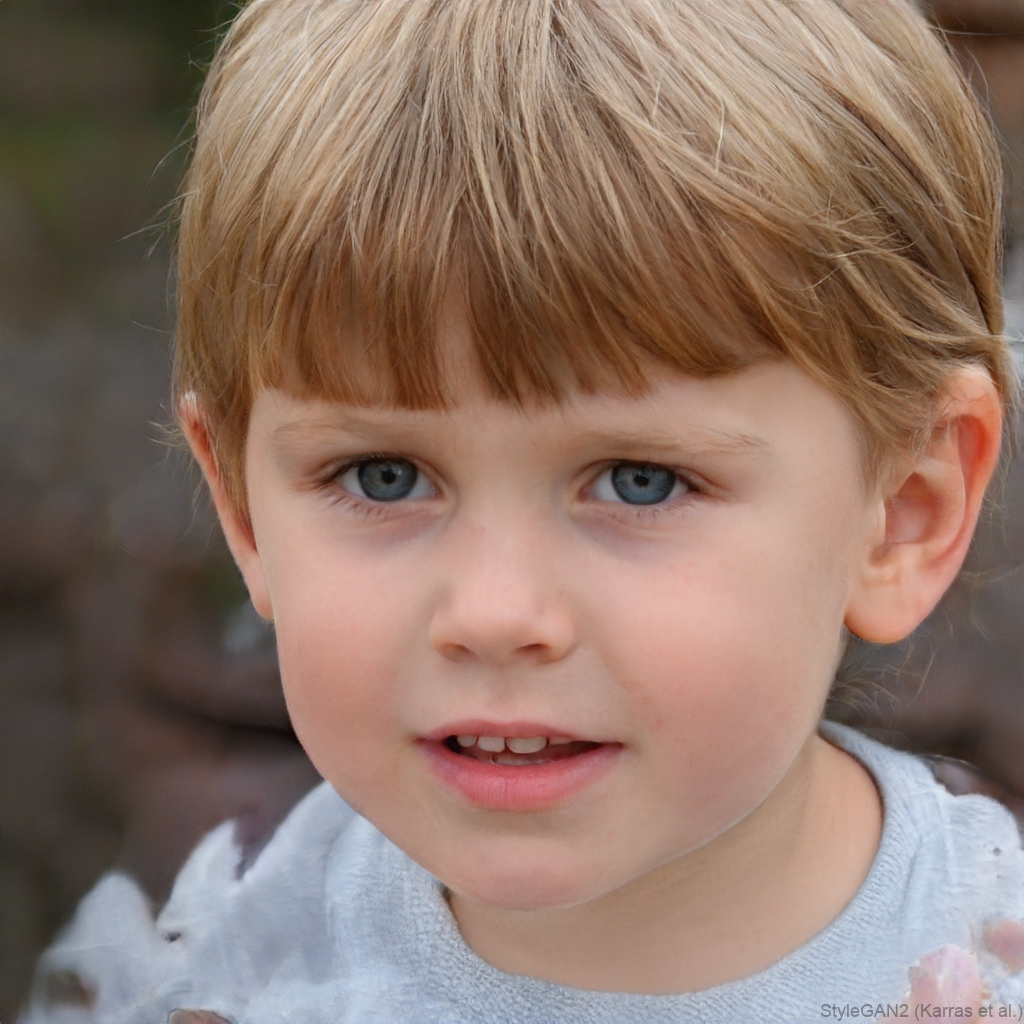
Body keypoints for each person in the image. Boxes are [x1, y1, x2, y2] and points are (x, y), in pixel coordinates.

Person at [19, 1, 1024, 1021]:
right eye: (383, 477)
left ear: (903, 509)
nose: (495, 613)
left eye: (640, 480)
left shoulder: (993, 965)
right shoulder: (198, 983)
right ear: (241, 505)